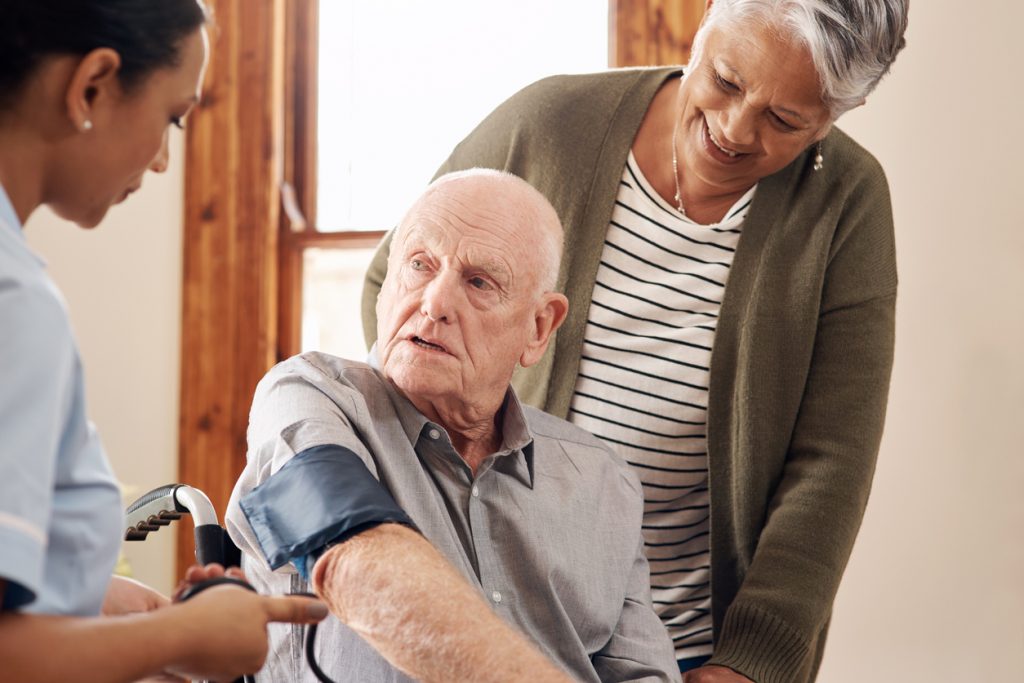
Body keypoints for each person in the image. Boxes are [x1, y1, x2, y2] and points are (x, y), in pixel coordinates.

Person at [362, 1, 910, 681]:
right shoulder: (550, 124)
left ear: (835, 115)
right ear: (706, 19)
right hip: (493, 617)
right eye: (728, 80)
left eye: (784, 120)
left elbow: (832, 458)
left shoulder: (847, 203)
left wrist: (750, 660)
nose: (735, 130)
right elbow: (395, 279)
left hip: (691, 646)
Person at [226, 169, 679, 682]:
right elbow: (350, 558)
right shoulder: (309, 396)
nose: (435, 303)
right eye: (419, 265)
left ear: (538, 328)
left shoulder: (603, 482)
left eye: (479, 282)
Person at [0, 2, 326, 681]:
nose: (162, 160)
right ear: (91, 86)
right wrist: (180, 637)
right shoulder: (16, 305)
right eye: (173, 117)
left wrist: (95, 603)